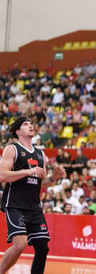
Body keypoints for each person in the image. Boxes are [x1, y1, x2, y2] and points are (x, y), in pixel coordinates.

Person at [0, 116, 66, 274]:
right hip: (15, 204)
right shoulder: (12, 149)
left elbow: (39, 181)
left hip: (34, 207)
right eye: (25, 124)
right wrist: (28, 171)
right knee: (20, 245)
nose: (30, 126)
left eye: (31, 123)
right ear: (17, 131)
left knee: (43, 247)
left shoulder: (40, 154)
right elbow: (2, 175)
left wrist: (53, 178)